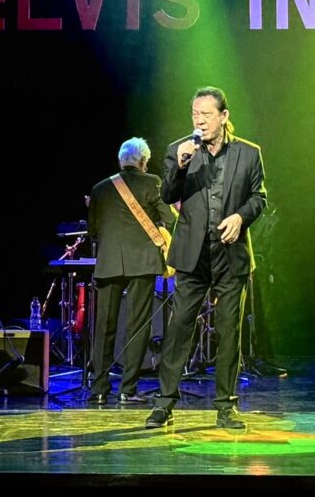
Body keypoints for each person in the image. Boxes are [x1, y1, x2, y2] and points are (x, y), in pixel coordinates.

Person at [146, 87, 267, 430]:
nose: (199, 121)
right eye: (195, 114)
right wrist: (180, 165)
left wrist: (241, 217)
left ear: (224, 116)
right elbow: (167, 195)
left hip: (231, 255)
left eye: (206, 114)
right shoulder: (179, 150)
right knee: (178, 329)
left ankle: (226, 407)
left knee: (229, 333)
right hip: (192, 256)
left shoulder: (249, 153)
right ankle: (164, 403)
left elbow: (259, 197)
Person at [87, 137, 174, 405]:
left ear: (120, 161)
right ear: (143, 162)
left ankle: (99, 390)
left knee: (104, 327)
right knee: (137, 325)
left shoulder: (100, 189)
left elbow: (93, 231)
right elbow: (170, 218)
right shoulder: (152, 182)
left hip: (109, 262)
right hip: (142, 263)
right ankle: (128, 389)